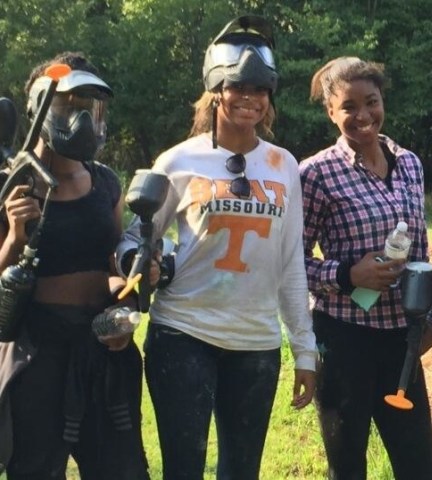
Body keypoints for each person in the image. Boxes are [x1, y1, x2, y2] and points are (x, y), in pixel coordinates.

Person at [115, 15, 316, 480]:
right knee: (183, 469)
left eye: (260, 90)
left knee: (242, 471)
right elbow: (137, 237)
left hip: (256, 341)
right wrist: (139, 263)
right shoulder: (179, 160)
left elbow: (291, 264)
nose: (250, 99)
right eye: (238, 87)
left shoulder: (283, 164)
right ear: (216, 90)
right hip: (184, 331)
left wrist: (304, 350)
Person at [0, 52, 149, 479]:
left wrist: (128, 303)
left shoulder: (105, 182)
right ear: (39, 108)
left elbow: (117, 259)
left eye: (90, 109)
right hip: (37, 352)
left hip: (102, 347)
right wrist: (14, 234)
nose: (82, 121)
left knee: (120, 469)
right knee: (36, 468)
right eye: (69, 108)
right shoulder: (10, 182)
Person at [299, 56, 432, 480]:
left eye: (371, 102)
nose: (362, 116)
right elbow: (290, 264)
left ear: (383, 101)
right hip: (344, 340)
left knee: (418, 467)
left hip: (402, 339)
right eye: (349, 107)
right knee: (348, 467)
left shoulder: (410, 164)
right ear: (331, 111)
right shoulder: (315, 174)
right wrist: (347, 276)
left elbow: (422, 247)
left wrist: (429, 316)